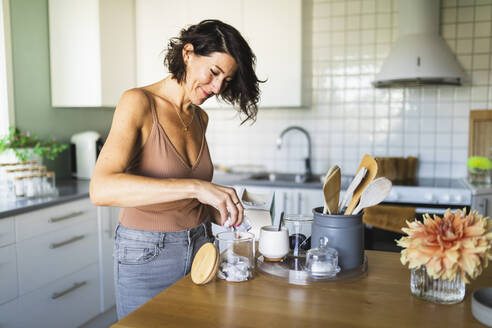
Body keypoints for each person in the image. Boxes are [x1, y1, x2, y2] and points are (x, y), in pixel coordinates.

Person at [89, 19, 262, 319]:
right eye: (214, 72)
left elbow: (186, 198)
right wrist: (197, 187)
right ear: (188, 54)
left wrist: (218, 208)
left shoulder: (200, 118)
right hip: (147, 254)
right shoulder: (138, 102)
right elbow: (101, 189)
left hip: (202, 246)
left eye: (227, 80)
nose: (218, 87)